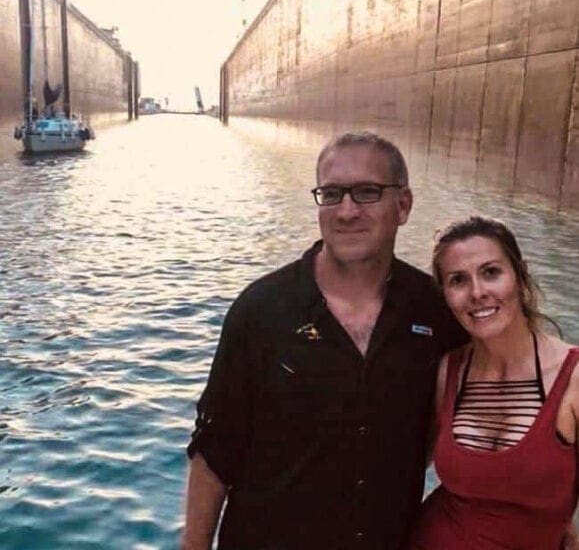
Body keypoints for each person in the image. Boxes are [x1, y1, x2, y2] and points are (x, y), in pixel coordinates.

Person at [182, 132, 466, 550]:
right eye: (332, 194)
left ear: (403, 206)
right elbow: (215, 449)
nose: (346, 211)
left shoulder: (435, 311)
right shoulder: (261, 310)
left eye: (367, 193)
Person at [409, 215, 578, 549]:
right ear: (445, 294)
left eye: (491, 272)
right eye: (458, 280)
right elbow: (408, 464)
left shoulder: (572, 378)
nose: (477, 293)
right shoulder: (450, 370)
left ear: (519, 275)